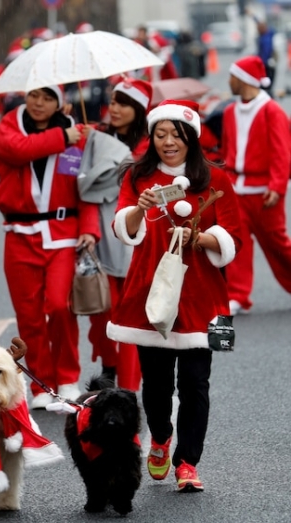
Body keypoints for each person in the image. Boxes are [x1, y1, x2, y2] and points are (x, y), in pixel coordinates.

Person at [107, 99, 241, 492]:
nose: (168, 142)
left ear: (192, 137)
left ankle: (188, 462)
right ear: (151, 138)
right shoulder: (138, 177)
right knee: (158, 381)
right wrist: (138, 209)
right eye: (160, 134)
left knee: (197, 383)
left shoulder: (216, 179)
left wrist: (201, 238)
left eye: (177, 135)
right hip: (152, 291)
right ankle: (161, 438)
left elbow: (233, 236)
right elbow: (123, 228)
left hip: (205, 295)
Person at [0, 84, 100, 408]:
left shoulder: (76, 135)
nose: (39, 103)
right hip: (19, 233)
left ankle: (67, 378)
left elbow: (88, 187)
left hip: (63, 232)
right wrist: (62, 137)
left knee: (59, 306)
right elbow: (19, 150)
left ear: (60, 102)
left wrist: (90, 229)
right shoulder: (9, 126)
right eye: (34, 95)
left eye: (48, 97)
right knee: (29, 315)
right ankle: (40, 385)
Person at [80, 78, 152, 391]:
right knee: (103, 310)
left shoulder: (150, 144)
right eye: (113, 102)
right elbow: (83, 188)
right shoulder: (95, 137)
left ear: (138, 110)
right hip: (101, 231)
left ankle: (129, 385)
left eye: (123, 103)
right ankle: (109, 363)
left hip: (137, 233)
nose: (115, 109)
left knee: (133, 313)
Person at [220, 56, 291, 315]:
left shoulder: (272, 110)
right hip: (236, 189)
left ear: (244, 79)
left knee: (277, 243)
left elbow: (282, 152)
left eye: (232, 76)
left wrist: (277, 185)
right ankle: (237, 295)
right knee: (237, 242)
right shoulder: (230, 111)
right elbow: (227, 151)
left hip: (265, 191)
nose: (229, 81)